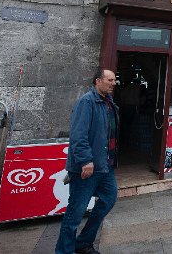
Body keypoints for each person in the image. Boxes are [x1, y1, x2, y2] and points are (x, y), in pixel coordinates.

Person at [56, 69, 120, 254]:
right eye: (109, 80)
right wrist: (85, 160)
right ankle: (64, 250)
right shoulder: (87, 102)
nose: (113, 83)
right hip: (88, 167)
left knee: (108, 199)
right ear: (97, 81)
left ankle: (83, 242)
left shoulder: (108, 103)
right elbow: (78, 135)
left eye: (114, 80)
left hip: (105, 166)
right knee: (75, 212)